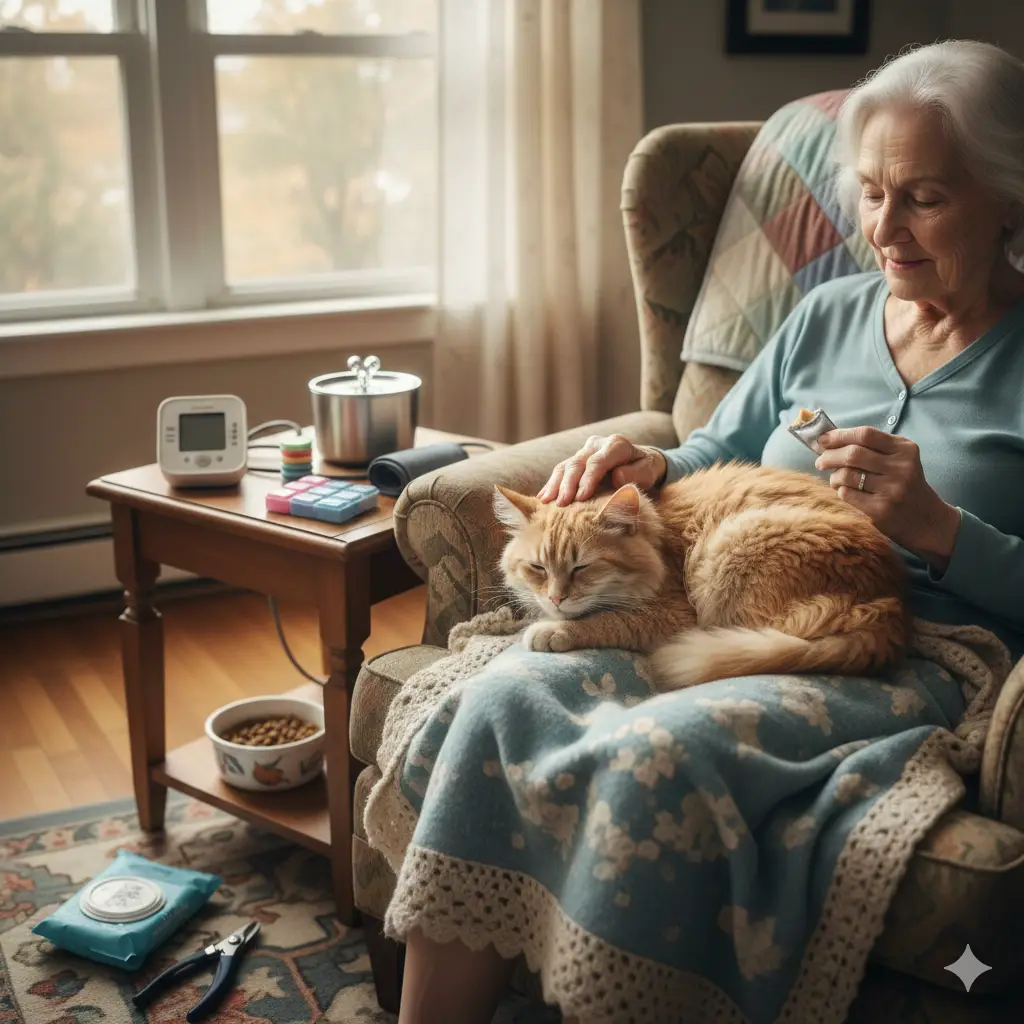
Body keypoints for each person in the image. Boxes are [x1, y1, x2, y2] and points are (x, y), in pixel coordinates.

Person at [396, 40, 1024, 1024]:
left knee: (661, 749)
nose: (884, 230)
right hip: (719, 594)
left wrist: (942, 530)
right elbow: (708, 454)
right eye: (868, 194)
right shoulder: (826, 314)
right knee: (507, 691)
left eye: (925, 198)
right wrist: (643, 470)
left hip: (909, 649)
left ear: (1006, 196)